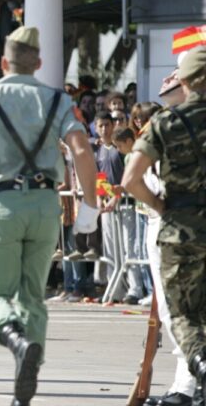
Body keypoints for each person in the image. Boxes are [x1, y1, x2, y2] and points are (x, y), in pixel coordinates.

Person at [0, 27, 98, 405]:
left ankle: (14, 338)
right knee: (34, 295)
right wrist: (90, 206)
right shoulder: (57, 100)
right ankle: (25, 382)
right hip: (46, 205)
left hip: (2, 202)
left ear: (4, 62)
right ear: (39, 64)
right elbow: (81, 151)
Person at [122, 46, 206, 403]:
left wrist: (160, 204)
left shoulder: (166, 122)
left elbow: (130, 179)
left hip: (180, 228)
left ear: (185, 82)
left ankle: (200, 369)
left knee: (183, 313)